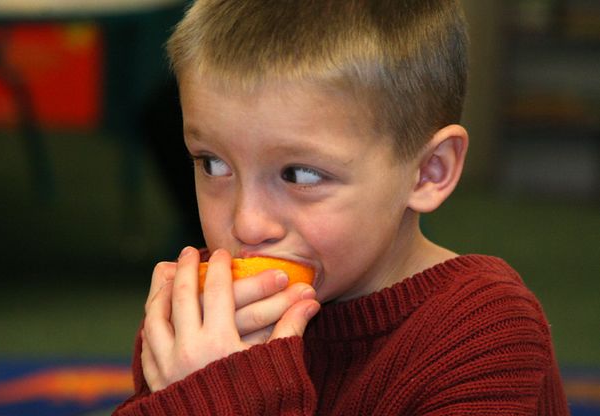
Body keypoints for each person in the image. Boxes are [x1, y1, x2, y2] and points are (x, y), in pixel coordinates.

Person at [114, 0, 570, 414]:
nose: (246, 223)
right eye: (212, 163)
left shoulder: (484, 334)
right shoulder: (200, 315)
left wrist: (223, 395)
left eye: (300, 175)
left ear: (430, 171)